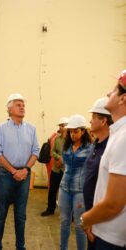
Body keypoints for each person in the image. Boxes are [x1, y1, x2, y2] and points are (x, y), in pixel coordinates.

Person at [81, 70, 126, 249]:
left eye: (114, 90)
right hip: (103, 228)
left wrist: (85, 219)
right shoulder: (118, 133)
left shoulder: (124, 137)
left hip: (111, 238)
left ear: (123, 99)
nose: (109, 93)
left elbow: (114, 204)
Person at [0, 93, 40, 250]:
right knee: (1, 214)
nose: (22, 107)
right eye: (18, 104)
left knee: (21, 215)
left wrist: (25, 169)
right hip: (6, 175)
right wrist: (13, 171)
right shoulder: (1, 128)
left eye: (23, 105)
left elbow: (36, 151)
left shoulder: (31, 129)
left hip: (24, 175)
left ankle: (21, 246)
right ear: (9, 108)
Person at [83, 97, 113, 250]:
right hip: (91, 216)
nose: (90, 121)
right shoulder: (95, 144)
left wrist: (91, 219)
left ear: (103, 121)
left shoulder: (111, 147)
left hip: (102, 220)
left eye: (93, 117)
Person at [59, 114, 92, 250]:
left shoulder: (90, 148)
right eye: (70, 131)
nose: (72, 134)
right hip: (64, 188)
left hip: (79, 191)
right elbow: (64, 165)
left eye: (76, 131)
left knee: (79, 225)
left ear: (83, 131)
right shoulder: (66, 146)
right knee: (64, 222)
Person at [41, 117, 68, 216]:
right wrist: (59, 158)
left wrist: (63, 159)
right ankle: (50, 209)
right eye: (60, 126)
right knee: (52, 189)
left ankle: (69, 213)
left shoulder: (72, 140)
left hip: (66, 170)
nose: (61, 127)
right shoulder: (57, 139)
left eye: (63, 125)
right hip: (56, 169)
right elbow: (52, 152)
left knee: (66, 192)